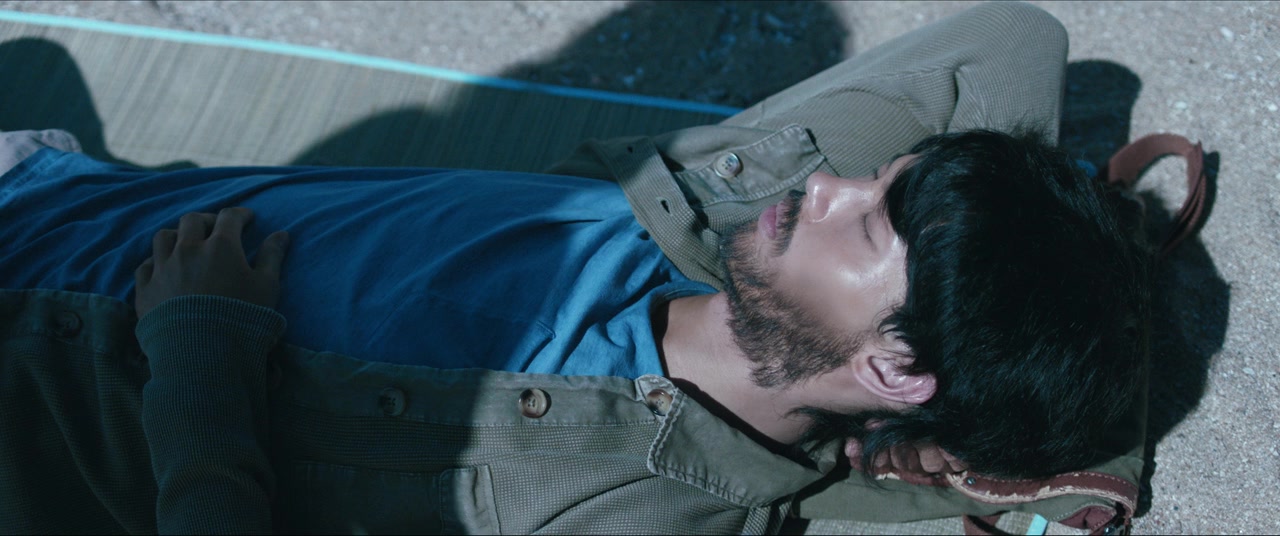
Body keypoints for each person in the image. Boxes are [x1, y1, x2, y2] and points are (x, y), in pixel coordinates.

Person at [0, 2, 1150, 534]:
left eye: (867, 224)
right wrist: (1045, 276)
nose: (826, 186)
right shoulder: (716, 220)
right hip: (44, 183)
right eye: (876, 175)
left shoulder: (626, 502)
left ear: (896, 372)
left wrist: (199, 355)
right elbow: (1008, 43)